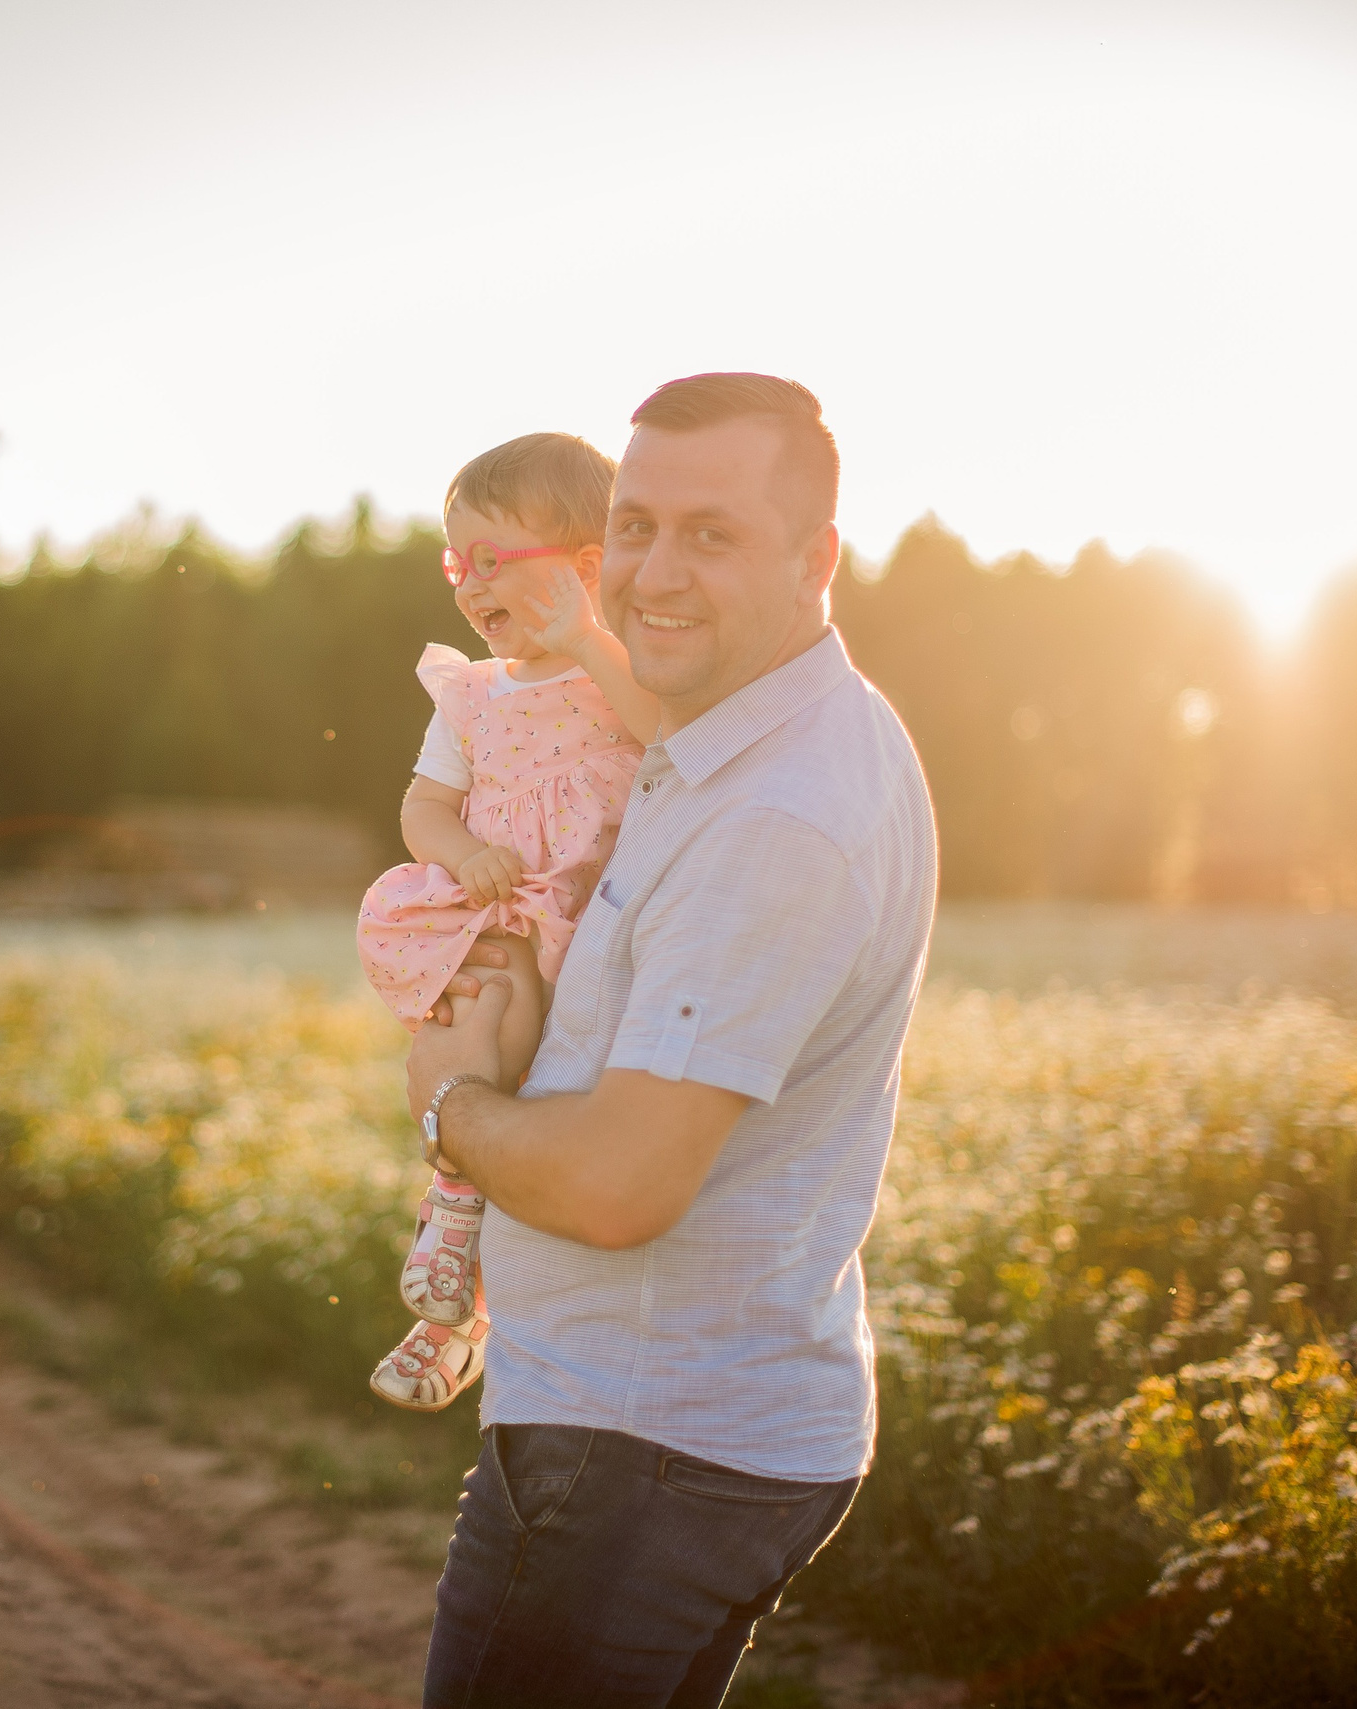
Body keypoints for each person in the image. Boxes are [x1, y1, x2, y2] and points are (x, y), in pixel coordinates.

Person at [404, 374, 940, 1709]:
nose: (652, 571)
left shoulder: (777, 812)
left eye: (712, 533)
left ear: (816, 559)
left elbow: (617, 1183)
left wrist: (447, 1107)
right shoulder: (731, 734)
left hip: (642, 1443)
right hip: (666, 1428)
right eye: (634, 525)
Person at [357, 431, 659, 1412]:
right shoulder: (470, 695)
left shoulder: (618, 673)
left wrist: (584, 640)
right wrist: (461, 854)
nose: (467, 584)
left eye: (493, 561)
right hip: (499, 907)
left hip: (589, 922)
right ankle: (448, 1258)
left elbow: (668, 736)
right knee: (492, 1020)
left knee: (523, 1091)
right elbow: (423, 808)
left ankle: (464, 1314)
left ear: (583, 569)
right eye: (457, 563)